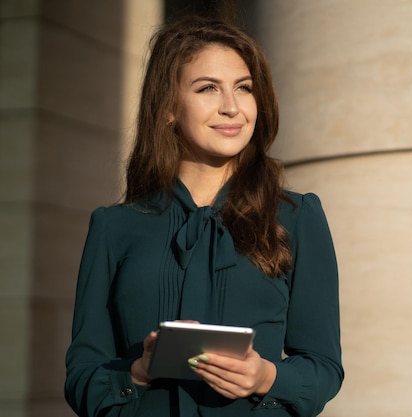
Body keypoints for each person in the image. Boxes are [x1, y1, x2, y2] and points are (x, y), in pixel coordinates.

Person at [64, 15, 343, 417]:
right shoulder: (114, 227)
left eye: (243, 88)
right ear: (168, 109)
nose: (231, 107)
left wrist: (265, 377)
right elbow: (82, 378)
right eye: (208, 88)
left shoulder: (298, 217)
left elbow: (324, 368)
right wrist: (140, 371)